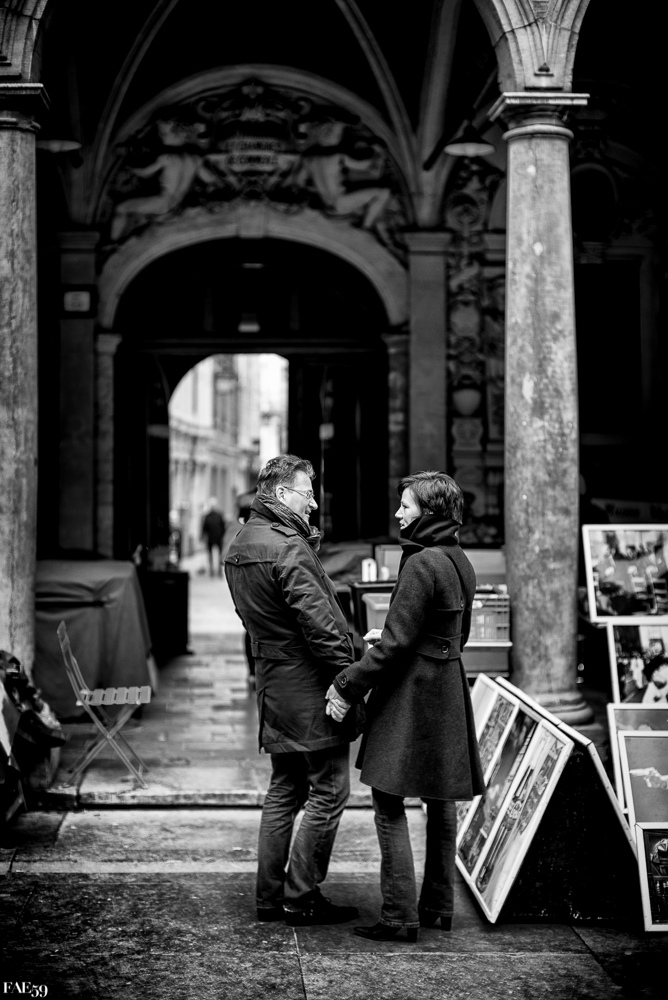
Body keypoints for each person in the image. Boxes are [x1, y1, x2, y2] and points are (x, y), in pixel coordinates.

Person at [325, 471, 484, 943]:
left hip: (412, 694)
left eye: (406, 506)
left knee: (387, 799)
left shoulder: (420, 562)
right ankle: (438, 905)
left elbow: (394, 647)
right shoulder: (459, 560)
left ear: (428, 512)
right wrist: (401, 638)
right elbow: (453, 636)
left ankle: (398, 915)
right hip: (446, 689)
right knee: (441, 799)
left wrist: (346, 684)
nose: (398, 513)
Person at [224, 454, 364, 926]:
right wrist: (347, 679)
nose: (314, 504)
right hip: (309, 685)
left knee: (285, 787)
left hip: (274, 684)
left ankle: (269, 896)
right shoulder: (287, 547)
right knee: (330, 790)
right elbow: (321, 626)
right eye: (308, 494)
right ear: (282, 494)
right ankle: (300, 896)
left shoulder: (242, 542)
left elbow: (254, 619)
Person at [201, 498, 226, 577]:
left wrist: (224, 536)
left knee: (219, 555)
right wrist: (203, 536)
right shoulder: (208, 516)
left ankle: (219, 571)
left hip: (218, 538)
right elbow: (204, 527)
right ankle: (212, 570)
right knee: (211, 555)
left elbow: (223, 527)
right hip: (211, 538)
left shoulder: (219, 515)